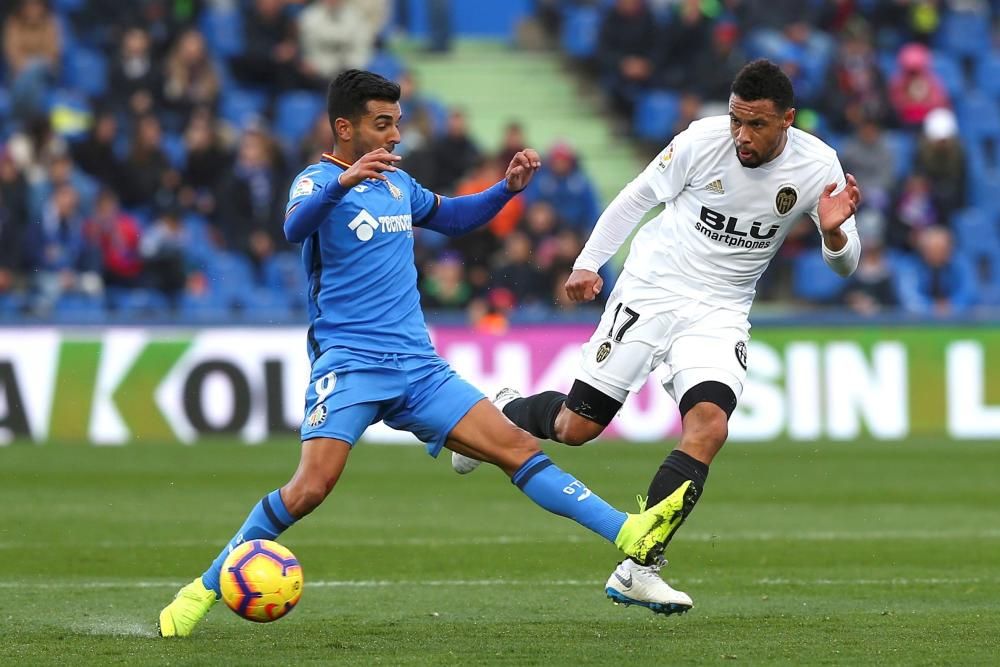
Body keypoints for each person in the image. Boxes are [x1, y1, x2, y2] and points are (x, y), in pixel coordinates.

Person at [157, 69, 687, 637]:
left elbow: (452, 217)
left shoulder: (396, 184)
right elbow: (293, 228)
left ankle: (627, 532)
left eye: (397, 123)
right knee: (310, 488)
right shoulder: (315, 181)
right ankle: (202, 589)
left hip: (417, 366)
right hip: (351, 365)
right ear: (345, 128)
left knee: (517, 447)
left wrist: (505, 190)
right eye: (382, 124)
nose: (395, 135)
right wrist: (343, 183)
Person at [452, 59, 862, 615]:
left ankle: (639, 567)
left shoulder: (818, 166)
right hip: (652, 290)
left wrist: (834, 234)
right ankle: (503, 410)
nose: (742, 135)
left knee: (709, 426)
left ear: (787, 120)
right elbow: (636, 197)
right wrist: (588, 262)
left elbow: (846, 265)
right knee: (576, 428)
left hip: (720, 312)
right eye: (736, 119)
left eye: (757, 124)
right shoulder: (701, 142)